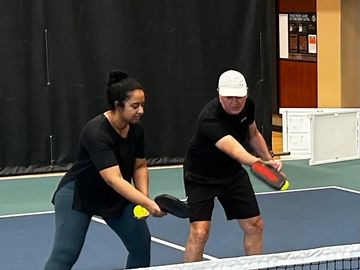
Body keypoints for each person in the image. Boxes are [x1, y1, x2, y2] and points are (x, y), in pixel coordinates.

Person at [44, 69, 165, 270]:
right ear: (118, 105)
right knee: (65, 254)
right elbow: (113, 179)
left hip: (116, 197)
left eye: (143, 105)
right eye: (135, 106)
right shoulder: (96, 132)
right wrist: (148, 203)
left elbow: (140, 165)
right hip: (78, 195)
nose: (141, 111)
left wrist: (143, 197)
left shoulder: (137, 129)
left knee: (141, 245)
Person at [183, 69, 282, 262]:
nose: (235, 102)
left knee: (255, 225)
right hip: (201, 176)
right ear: (219, 94)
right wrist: (257, 163)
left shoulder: (247, 107)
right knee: (200, 232)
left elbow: (253, 135)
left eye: (239, 97)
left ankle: (255, 267)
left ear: (246, 95)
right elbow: (236, 150)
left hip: (231, 174)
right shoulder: (209, 118)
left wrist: (268, 158)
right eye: (229, 97)